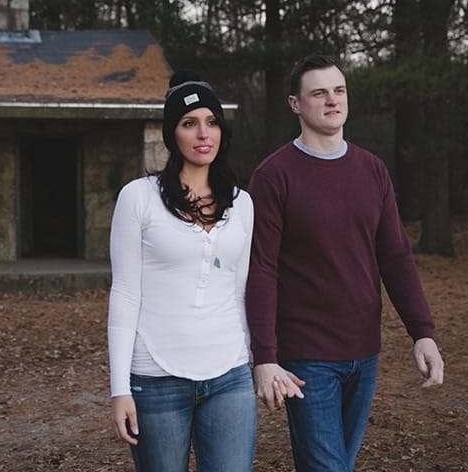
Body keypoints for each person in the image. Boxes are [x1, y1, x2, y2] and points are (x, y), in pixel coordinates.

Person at [245, 54, 444, 471]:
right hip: (305, 357)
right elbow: (261, 269)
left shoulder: (372, 170)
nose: (332, 100)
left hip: (363, 352)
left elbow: (395, 256)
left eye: (339, 90)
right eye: (319, 93)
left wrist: (421, 332)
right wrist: (265, 356)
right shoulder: (274, 176)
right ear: (295, 104)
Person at [107, 71, 256, 472]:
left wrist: (252, 359)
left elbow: (242, 290)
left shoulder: (242, 204)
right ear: (172, 135)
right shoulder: (138, 197)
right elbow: (124, 294)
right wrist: (119, 388)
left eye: (211, 123)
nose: (203, 133)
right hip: (156, 378)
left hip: (229, 376)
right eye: (189, 124)